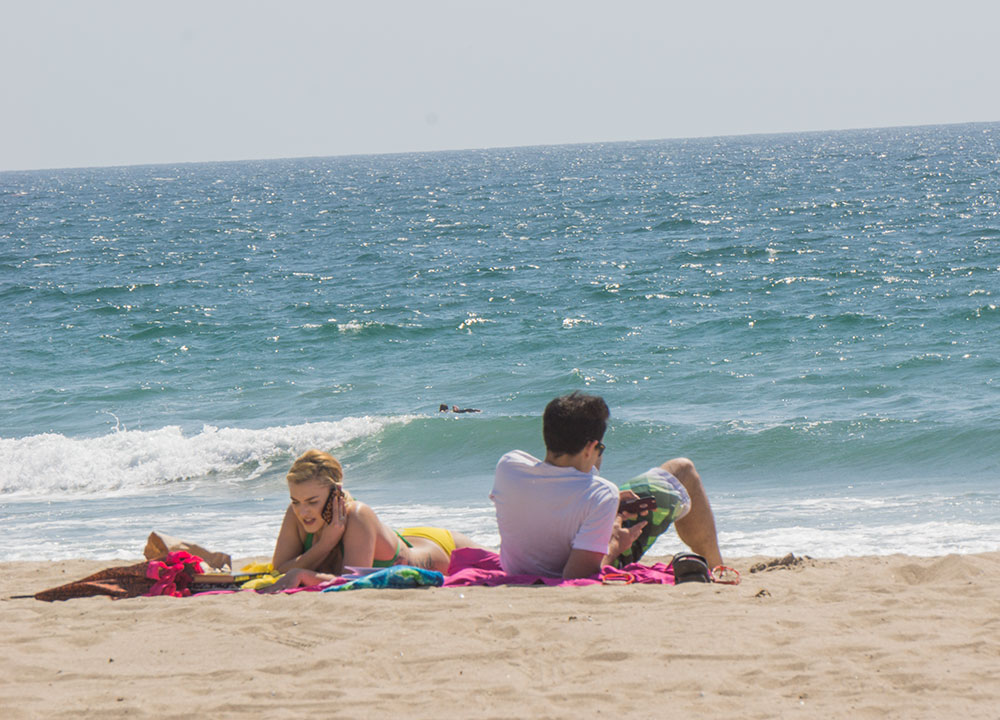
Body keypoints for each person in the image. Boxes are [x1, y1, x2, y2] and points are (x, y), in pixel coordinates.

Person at [490, 392, 723, 579]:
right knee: (683, 470)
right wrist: (615, 544)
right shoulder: (601, 494)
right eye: (599, 448)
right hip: (588, 557)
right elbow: (576, 575)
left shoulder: (508, 466)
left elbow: (553, 490)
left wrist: (610, 499)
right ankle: (716, 567)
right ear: (590, 448)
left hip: (518, 570)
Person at [268, 449, 480, 590]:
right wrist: (325, 544)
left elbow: (353, 584)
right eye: (296, 501)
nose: (303, 511)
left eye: (312, 501)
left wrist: (303, 571)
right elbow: (279, 570)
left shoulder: (358, 516)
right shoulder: (297, 514)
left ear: (336, 493)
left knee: (508, 567)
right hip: (399, 537)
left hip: (440, 547)